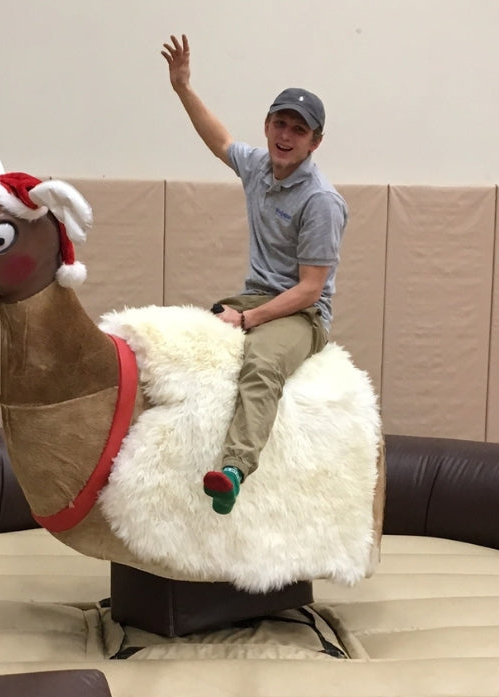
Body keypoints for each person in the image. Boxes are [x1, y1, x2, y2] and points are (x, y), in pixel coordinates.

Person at [161, 34, 348, 515]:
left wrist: (248, 321)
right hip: (256, 295)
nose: (286, 136)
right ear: (267, 126)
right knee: (188, 335)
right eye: (280, 124)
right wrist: (183, 88)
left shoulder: (320, 202)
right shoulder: (260, 168)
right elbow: (220, 140)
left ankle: (234, 471)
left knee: (260, 364)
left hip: (302, 314)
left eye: (298, 130)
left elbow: (309, 289)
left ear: (315, 142)